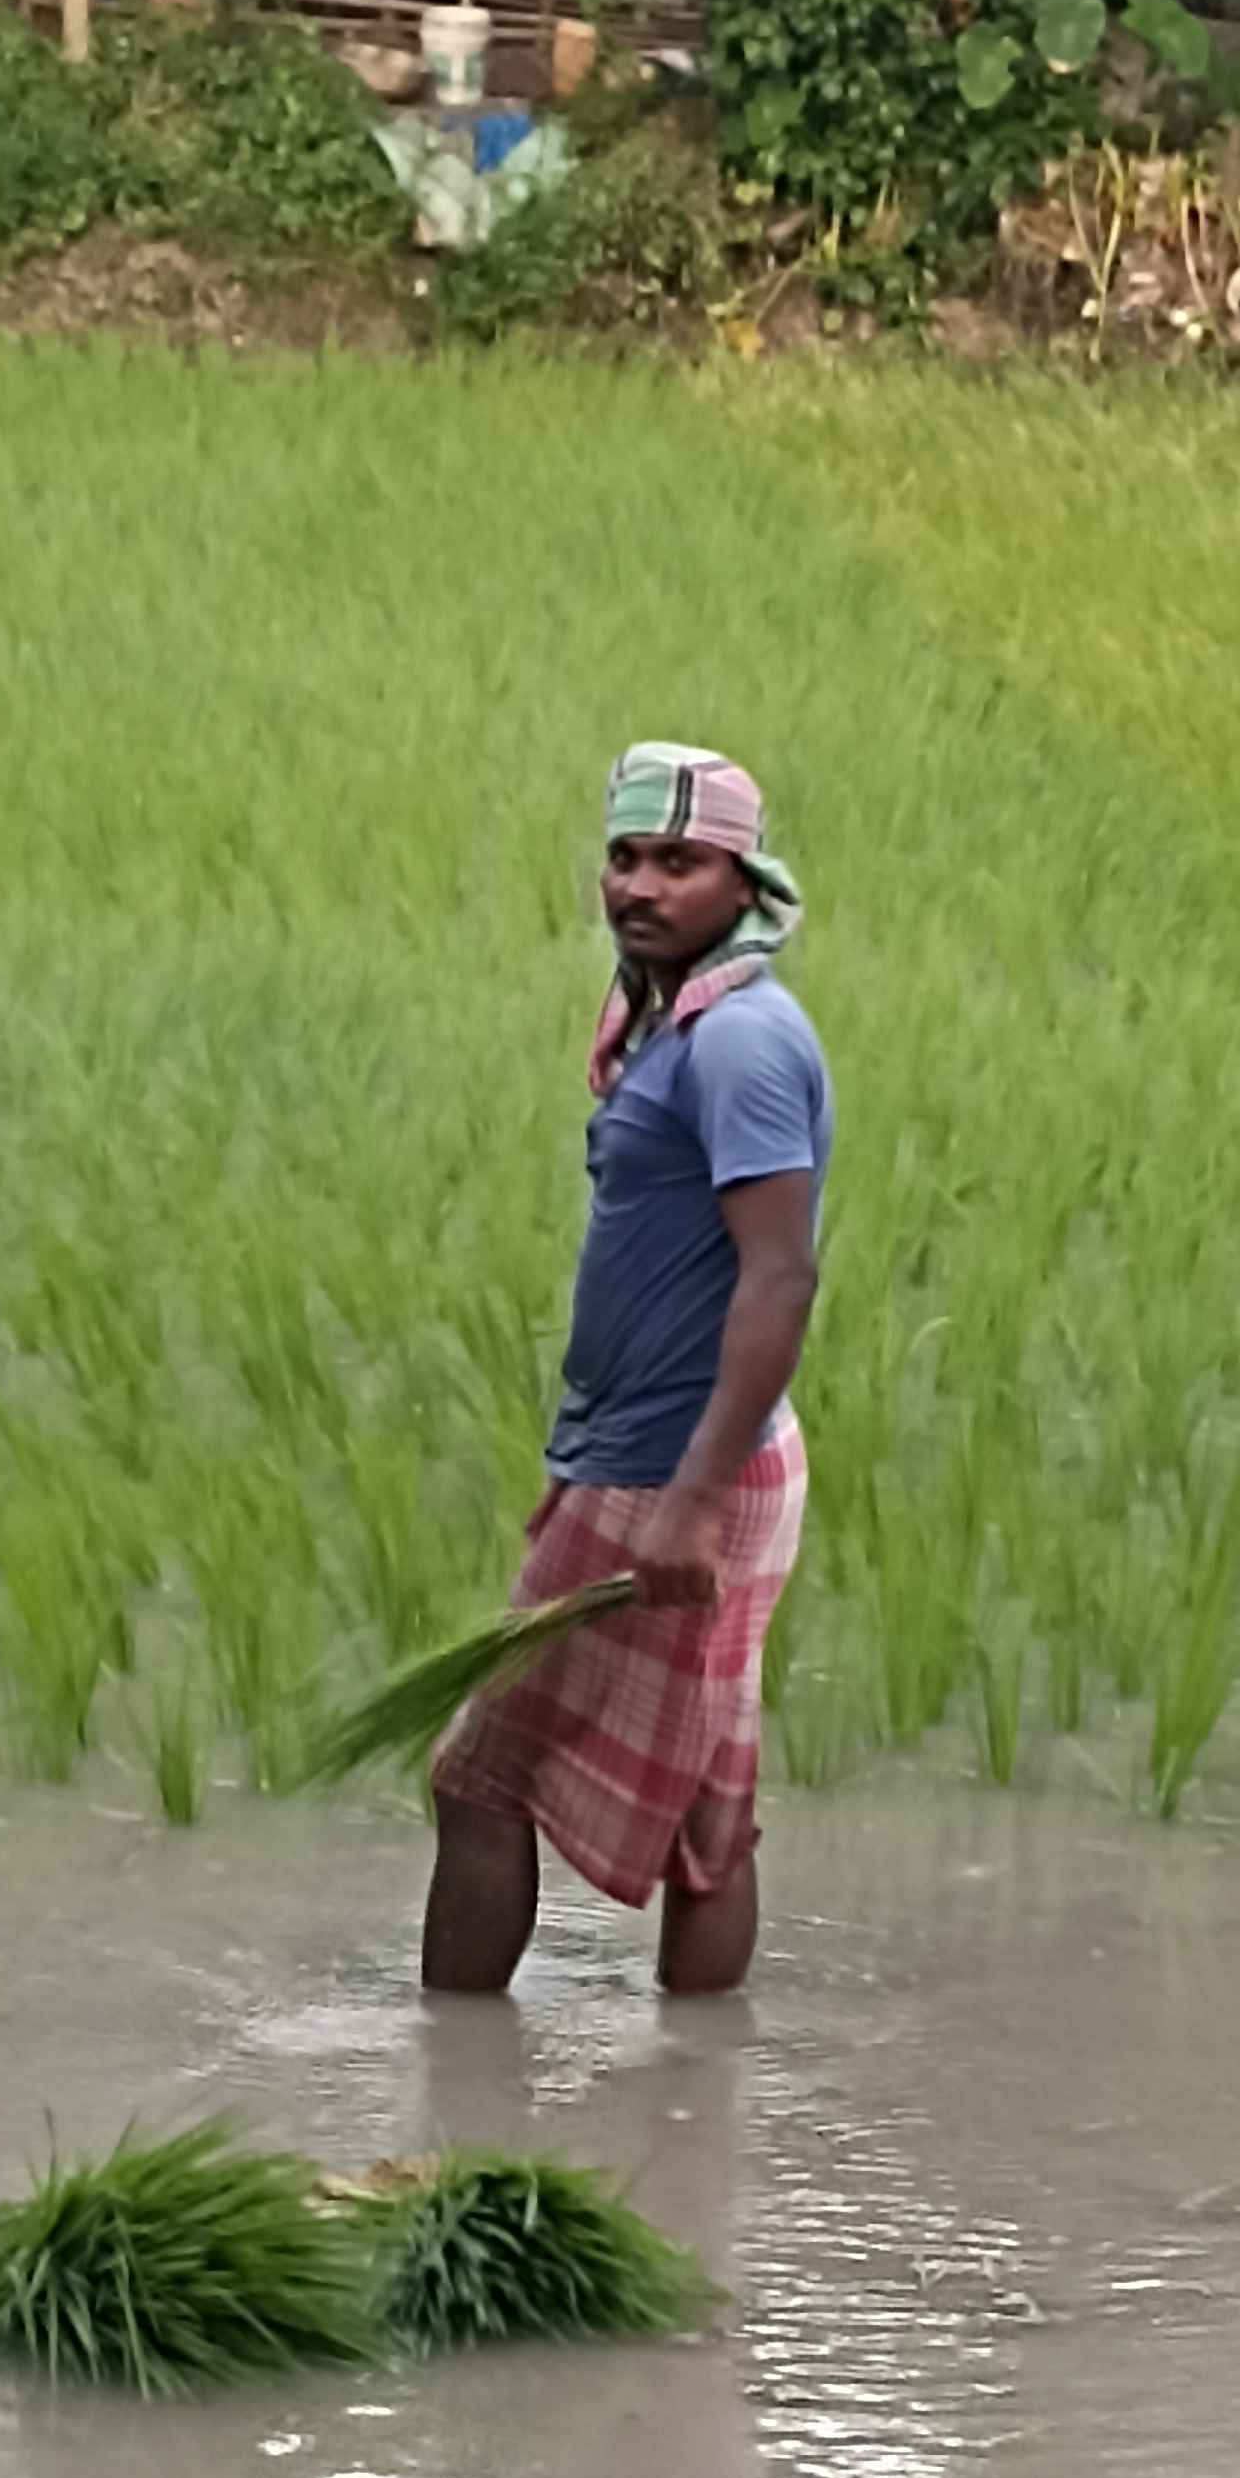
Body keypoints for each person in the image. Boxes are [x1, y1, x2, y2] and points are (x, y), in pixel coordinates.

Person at [424, 745, 829, 2002]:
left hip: (672, 1466)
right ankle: (705, 2090)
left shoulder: (738, 1044)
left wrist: (690, 1501)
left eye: (680, 862)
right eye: (625, 857)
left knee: (479, 1778)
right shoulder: (678, 1023)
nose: (641, 886)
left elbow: (780, 1278)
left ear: (744, 880)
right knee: (710, 1811)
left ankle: (454, 2085)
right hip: (681, 1455)